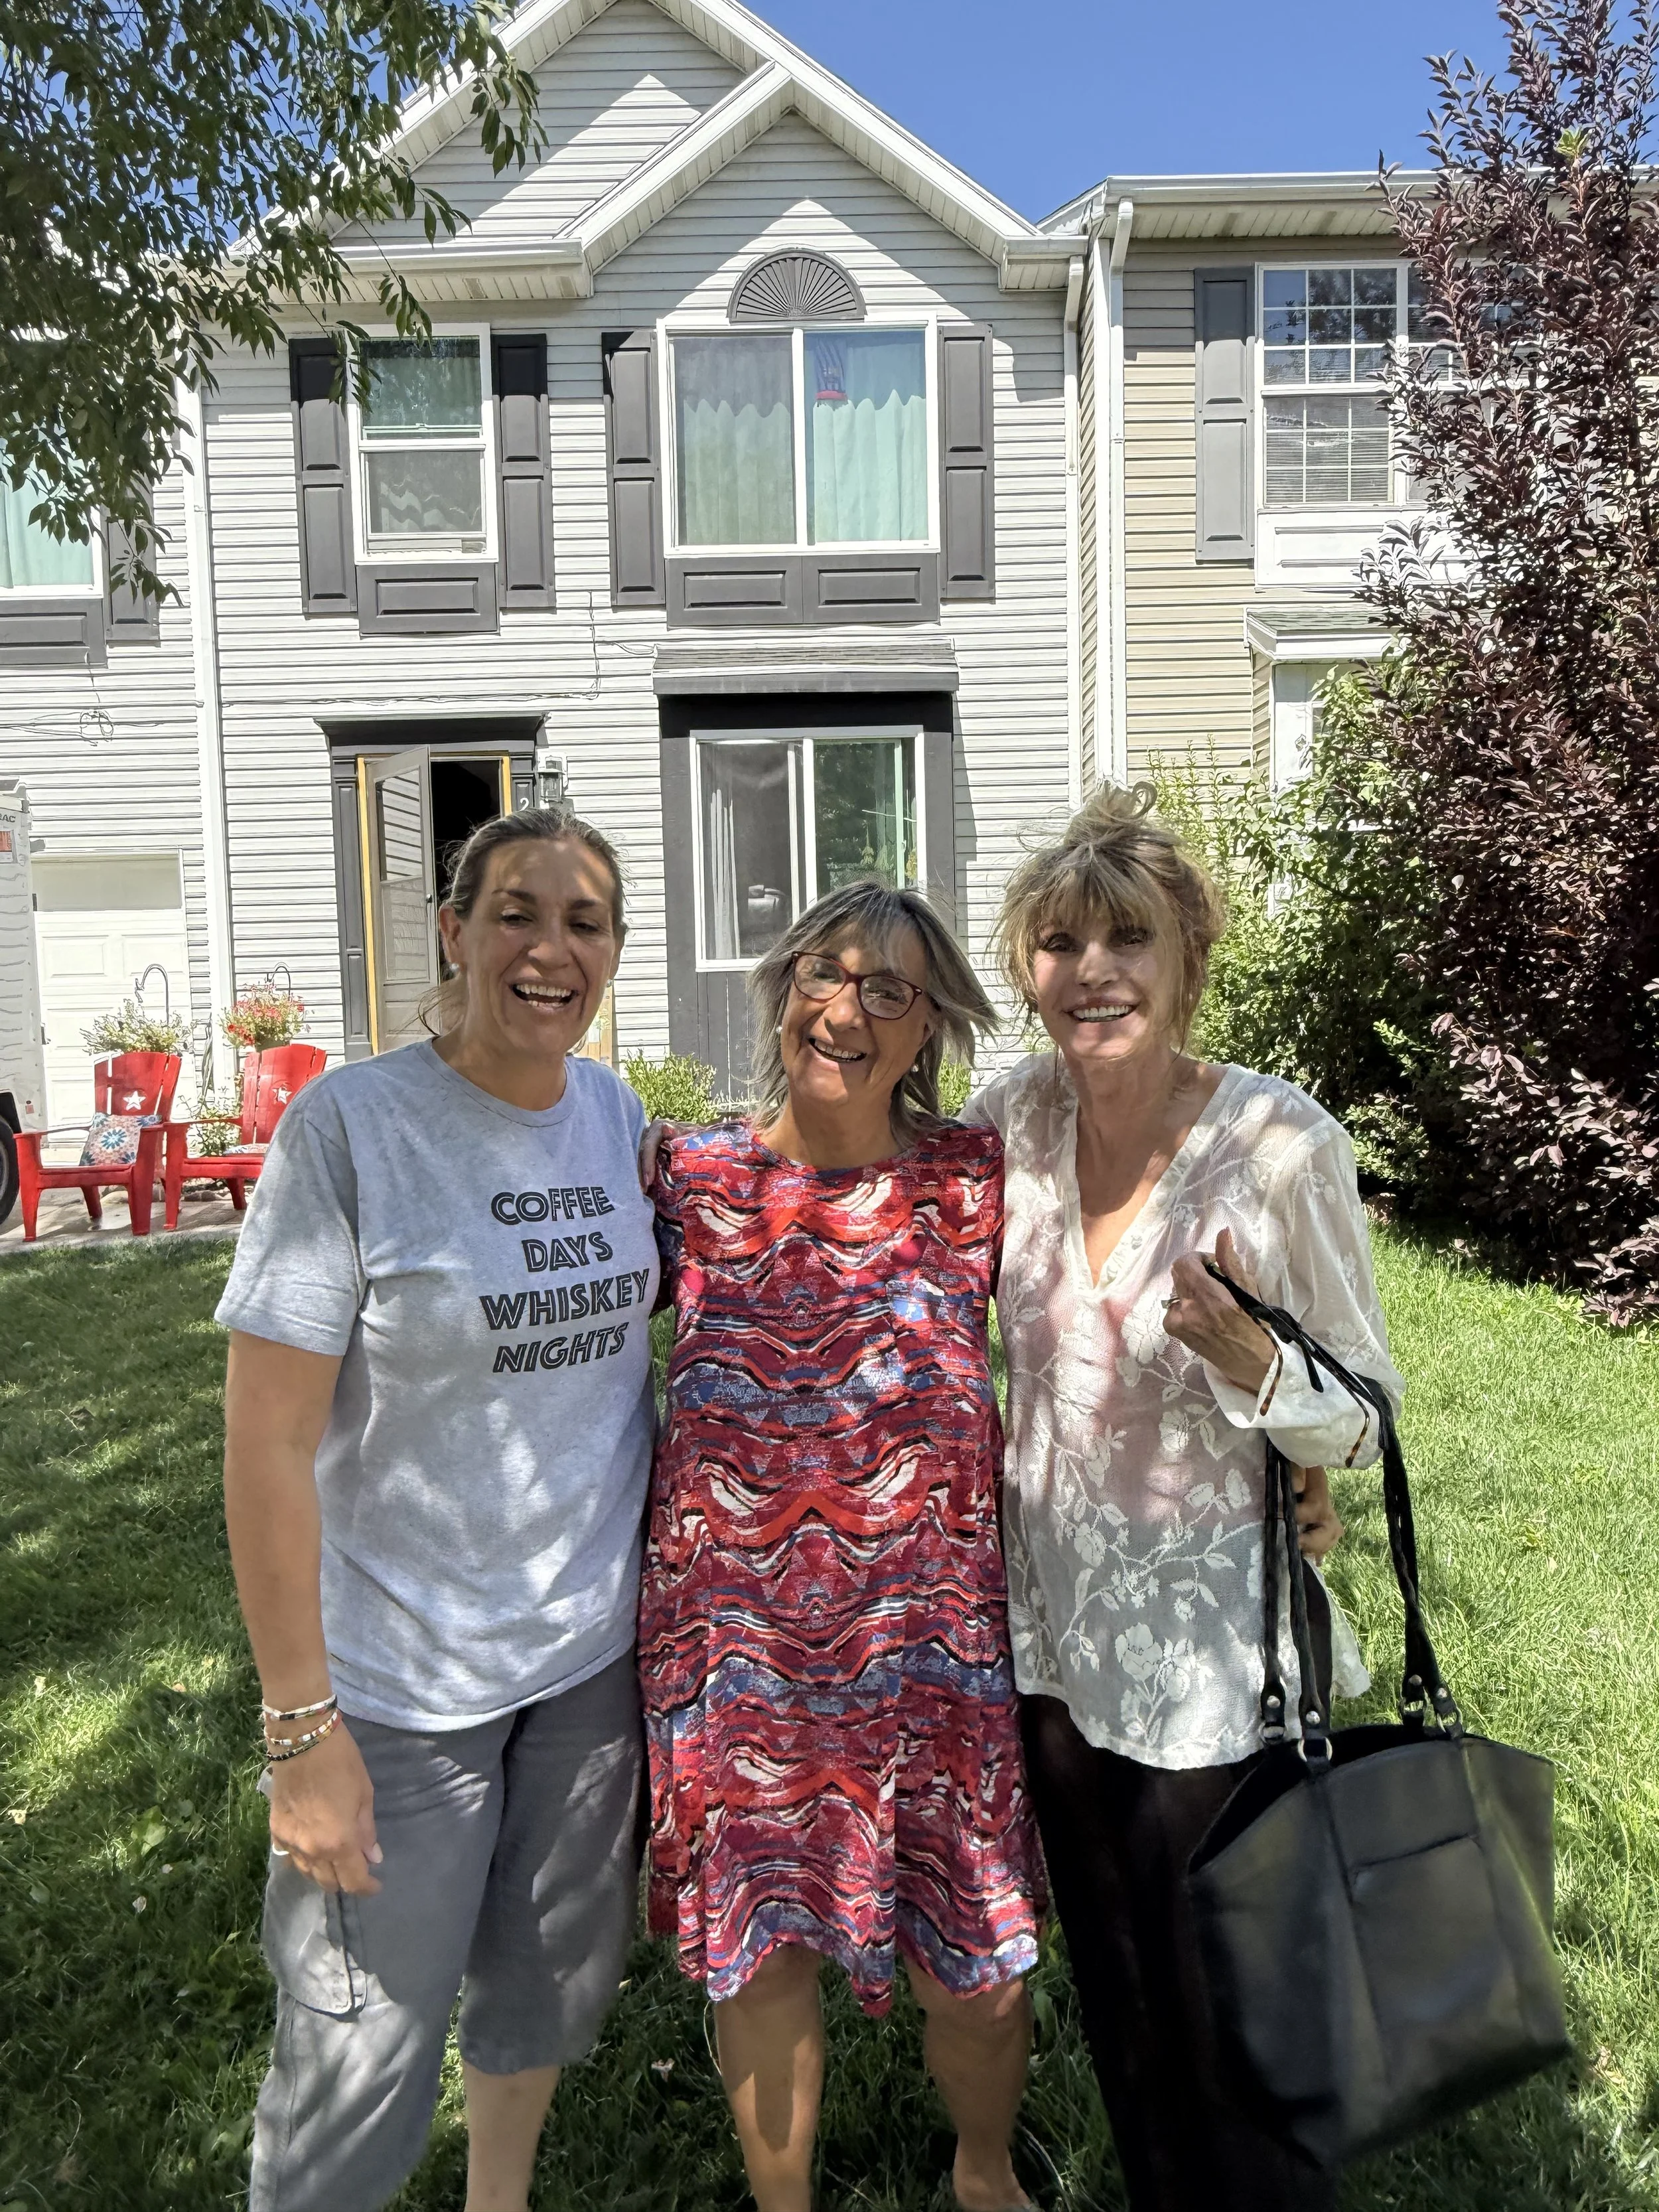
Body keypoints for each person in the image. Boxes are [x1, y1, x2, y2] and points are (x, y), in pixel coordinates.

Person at [965, 783, 1402, 2212]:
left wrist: (1256, 1365)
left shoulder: (1278, 1147)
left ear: (1186, 955)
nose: (1090, 969)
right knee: (1127, 2009)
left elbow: (1362, 1420)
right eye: (1058, 940)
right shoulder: (1011, 1125)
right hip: (1054, 1644)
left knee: (1238, 2033)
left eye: (1125, 937)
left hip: (1220, 1661)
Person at [218, 808, 658, 2212]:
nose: (550, 947)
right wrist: (301, 1732)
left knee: (542, 1996)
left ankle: (499, 2200)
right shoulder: (350, 1128)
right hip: (400, 1690)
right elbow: (265, 1443)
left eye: (584, 921)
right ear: (455, 933)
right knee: (358, 2050)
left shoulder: (615, 1114)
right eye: (517, 913)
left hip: (588, 1667)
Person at [640, 882, 1044, 2212]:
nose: (848, 1009)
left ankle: (981, 2172)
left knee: (977, 1969)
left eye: (890, 990)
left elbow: (1111, 1316)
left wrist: (1290, 1448)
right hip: (742, 1656)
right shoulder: (688, 1180)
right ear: (781, 985)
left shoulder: (971, 1182)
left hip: (934, 1655)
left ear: (926, 1027)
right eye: (827, 972)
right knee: (762, 1959)